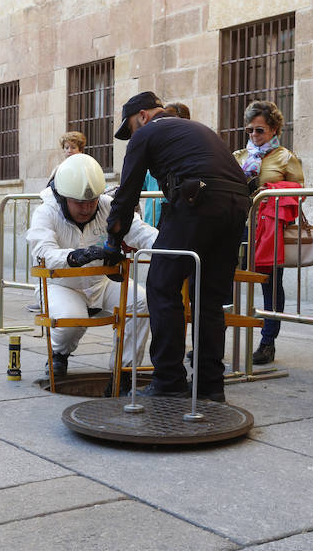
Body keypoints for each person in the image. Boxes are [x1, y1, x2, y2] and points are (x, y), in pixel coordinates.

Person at [105, 91, 250, 402]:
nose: (131, 134)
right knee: (208, 298)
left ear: (142, 116)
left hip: (198, 201)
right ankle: (211, 386)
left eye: (130, 126)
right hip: (237, 204)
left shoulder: (145, 134)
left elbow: (126, 195)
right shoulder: (194, 128)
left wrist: (113, 240)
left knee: (161, 285)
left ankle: (169, 380)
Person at [27, 153, 158, 388]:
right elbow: (43, 252)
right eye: (79, 202)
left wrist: (171, 244)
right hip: (61, 286)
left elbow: (141, 232)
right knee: (71, 319)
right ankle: (59, 353)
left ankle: (124, 370)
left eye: (92, 201)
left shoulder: (107, 207)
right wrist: (78, 255)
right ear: (63, 196)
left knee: (140, 301)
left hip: (101, 282)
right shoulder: (46, 213)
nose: (87, 208)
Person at [233, 100, 304, 365]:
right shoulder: (239, 156)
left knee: (270, 285)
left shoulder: (286, 157)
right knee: (225, 280)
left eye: (259, 130)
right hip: (239, 226)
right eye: (249, 130)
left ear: (274, 129)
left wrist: (270, 190)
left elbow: (301, 191)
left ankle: (267, 342)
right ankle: (214, 338)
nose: (254, 135)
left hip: (269, 229)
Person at [142, 102, 192, 227]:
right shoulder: (154, 151)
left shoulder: (193, 152)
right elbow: (140, 183)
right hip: (152, 222)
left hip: (178, 221)